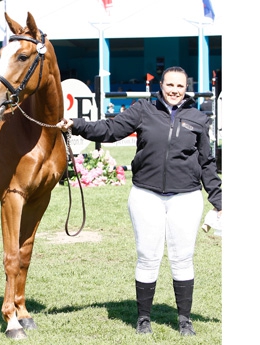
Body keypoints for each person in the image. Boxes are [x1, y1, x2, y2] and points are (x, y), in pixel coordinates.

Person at [57, 66, 222, 336]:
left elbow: (206, 163)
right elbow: (109, 129)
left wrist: (219, 199)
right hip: (146, 195)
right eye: (170, 85)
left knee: (183, 258)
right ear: (161, 85)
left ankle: (184, 320)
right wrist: (77, 124)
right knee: (148, 257)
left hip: (186, 197)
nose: (174, 90)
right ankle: (143, 318)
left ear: (186, 88)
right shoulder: (143, 110)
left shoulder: (198, 119)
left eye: (180, 86)